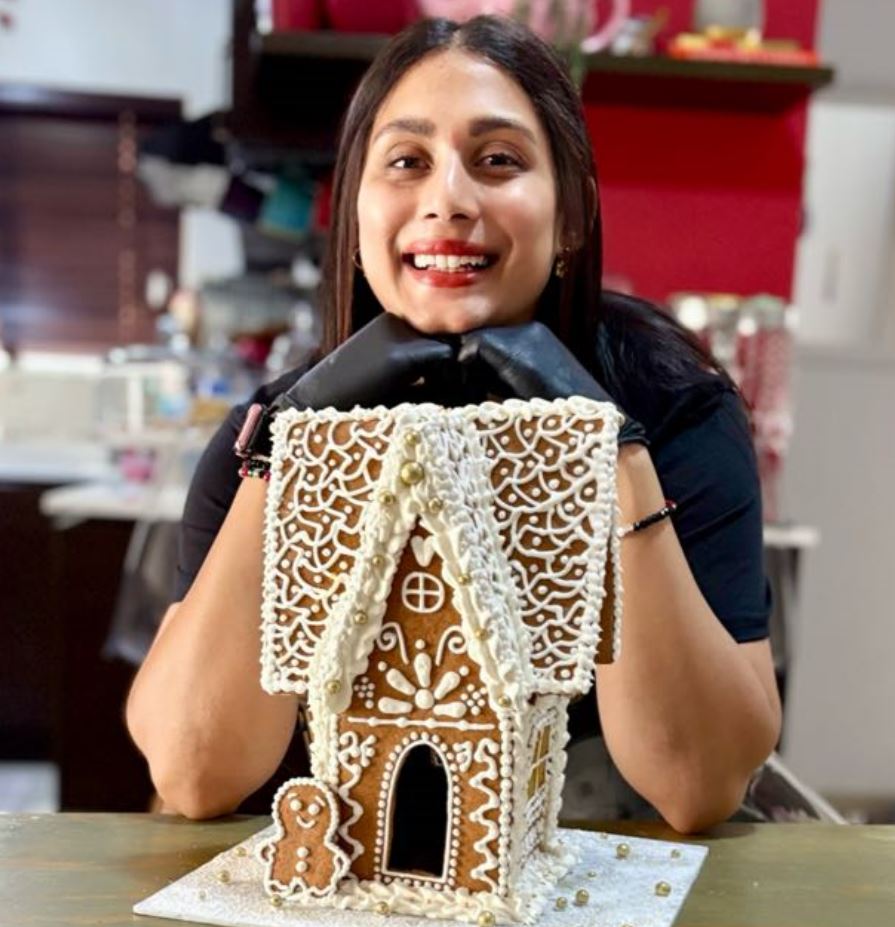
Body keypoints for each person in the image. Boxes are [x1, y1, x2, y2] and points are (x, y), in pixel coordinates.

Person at [126, 14, 781, 833]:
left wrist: (614, 445)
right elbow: (193, 771)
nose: (449, 200)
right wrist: (289, 447)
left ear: (570, 217)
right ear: (356, 219)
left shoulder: (681, 412)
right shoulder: (266, 433)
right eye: (406, 162)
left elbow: (699, 783)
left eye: (498, 160)